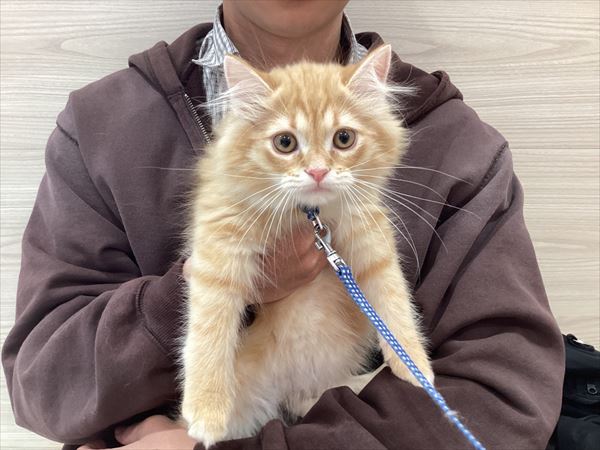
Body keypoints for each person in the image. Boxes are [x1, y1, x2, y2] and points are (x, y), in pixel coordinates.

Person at [2, 1, 565, 449]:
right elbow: (45, 382)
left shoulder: (460, 147)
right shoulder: (99, 126)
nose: (318, 164)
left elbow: (507, 402)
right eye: (289, 142)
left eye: (342, 138)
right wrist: (217, 285)